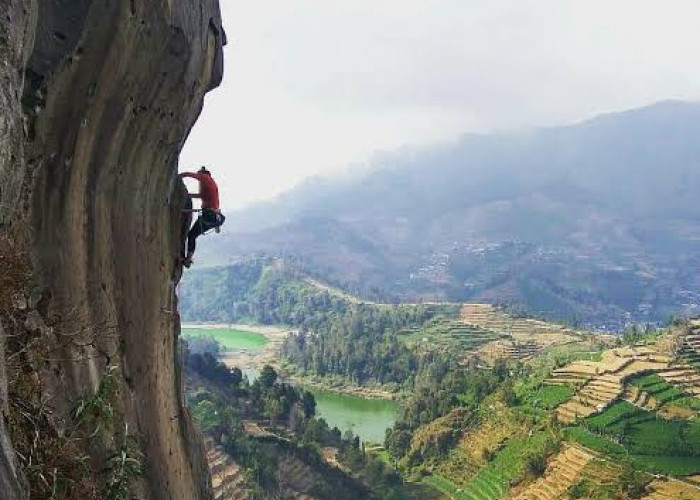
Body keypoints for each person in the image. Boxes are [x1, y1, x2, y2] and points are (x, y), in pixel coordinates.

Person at [179, 166, 225, 268]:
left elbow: (189, 174)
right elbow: (200, 196)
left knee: (192, 235)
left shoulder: (205, 177)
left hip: (209, 215)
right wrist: (187, 195)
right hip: (216, 218)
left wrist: (178, 177)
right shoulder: (211, 185)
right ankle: (188, 259)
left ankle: (188, 259)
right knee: (192, 235)